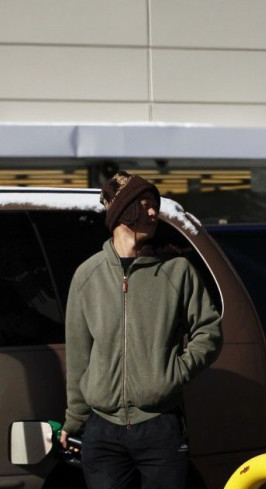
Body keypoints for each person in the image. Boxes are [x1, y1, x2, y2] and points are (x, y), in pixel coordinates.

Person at [60, 171, 222, 488]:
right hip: (102, 430)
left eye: (154, 205)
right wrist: (74, 419)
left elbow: (209, 331)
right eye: (144, 203)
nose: (152, 212)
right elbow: (78, 355)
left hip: (160, 425)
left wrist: (174, 373)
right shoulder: (87, 275)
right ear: (122, 211)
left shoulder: (177, 271)